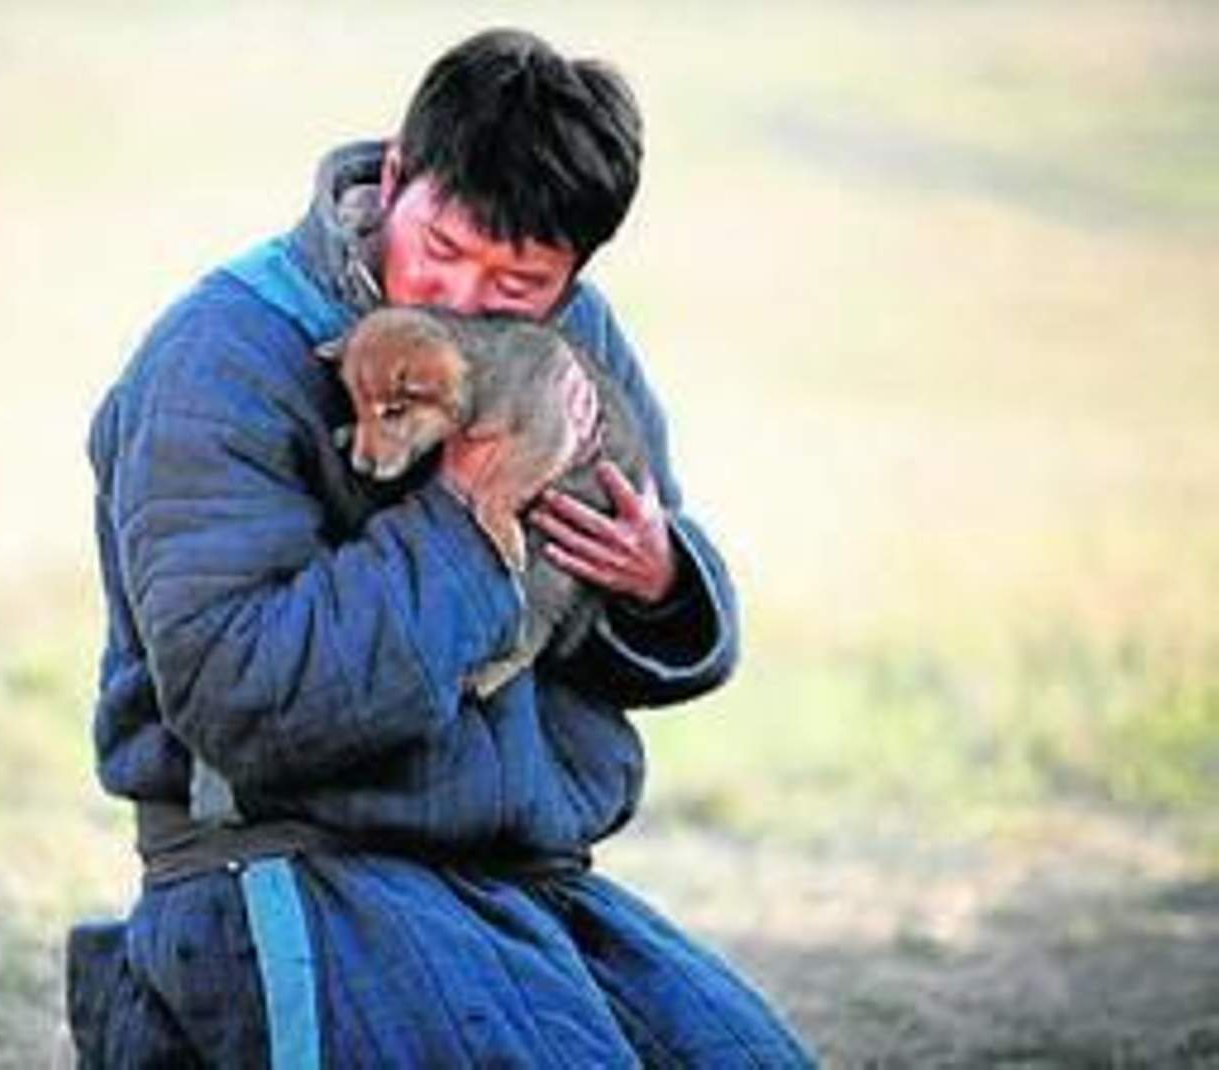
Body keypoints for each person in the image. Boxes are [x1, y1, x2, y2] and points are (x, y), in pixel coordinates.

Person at [66, 27, 813, 1068]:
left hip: (525, 877)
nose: (462, 301)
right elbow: (242, 693)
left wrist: (654, 581)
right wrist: (467, 514)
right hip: (297, 865)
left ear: (572, 272)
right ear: (395, 176)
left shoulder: (573, 344)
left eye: (516, 283)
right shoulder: (223, 353)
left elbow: (597, 590)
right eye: (446, 249)